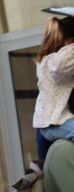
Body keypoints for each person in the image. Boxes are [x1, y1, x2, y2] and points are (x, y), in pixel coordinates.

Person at [32, 14, 74, 160]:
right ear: (71, 42)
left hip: (44, 124)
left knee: (44, 162)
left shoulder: (45, 60)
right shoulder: (63, 59)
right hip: (57, 121)